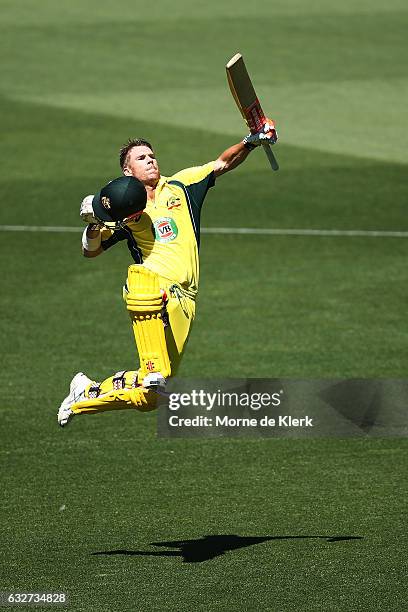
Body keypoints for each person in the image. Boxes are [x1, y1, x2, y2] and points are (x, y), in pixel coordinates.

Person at [58, 121, 278, 426]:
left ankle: (86, 393)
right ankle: (150, 368)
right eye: (141, 158)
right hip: (152, 289)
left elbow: (223, 162)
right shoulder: (126, 207)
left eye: (152, 155)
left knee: (154, 396)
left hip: (186, 297)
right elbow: (90, 250)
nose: (150, 160)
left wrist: (252, 141)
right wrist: (94, 224)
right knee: (143, 286)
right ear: (127, 172)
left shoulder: (182, 185)